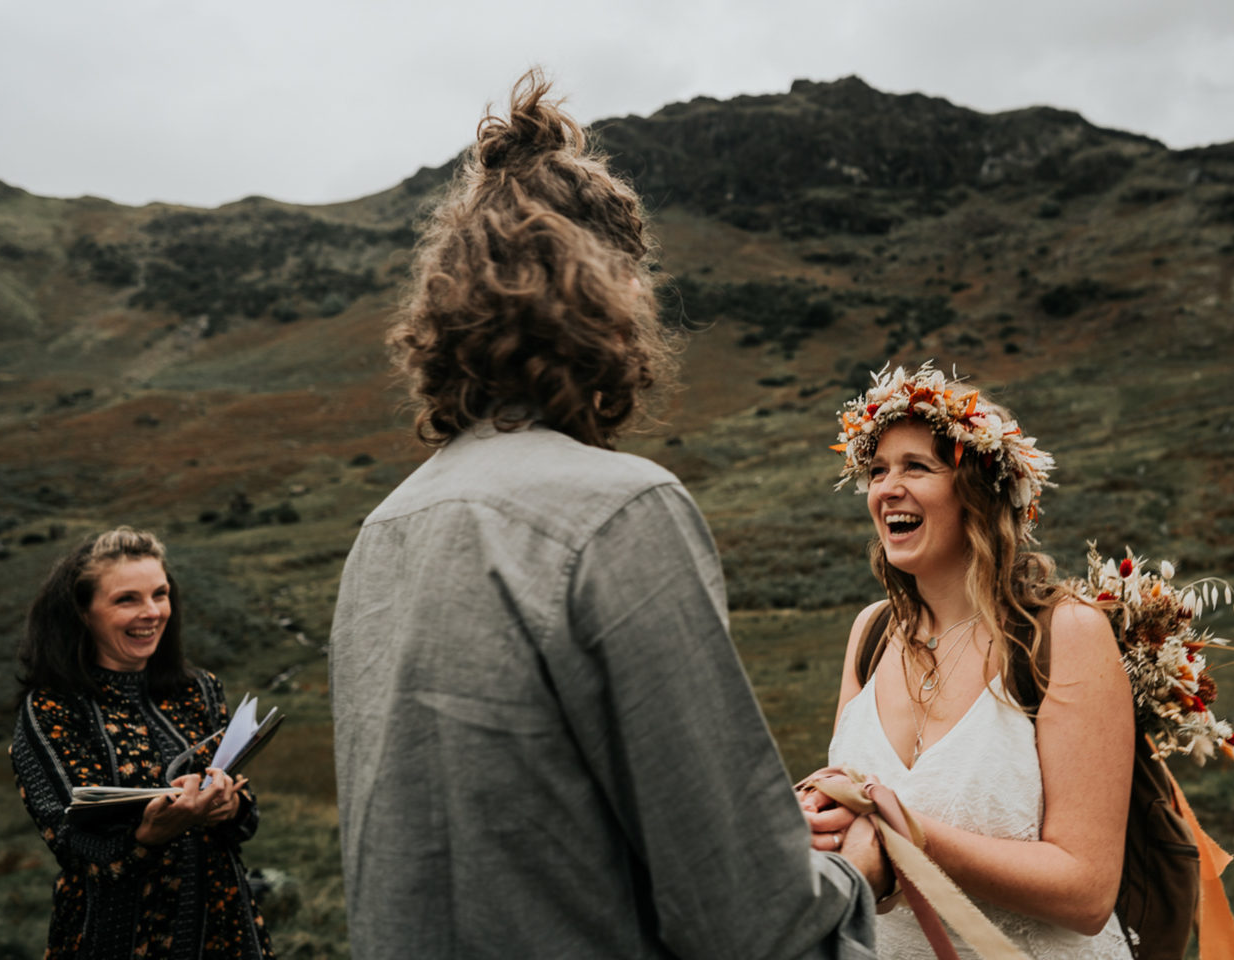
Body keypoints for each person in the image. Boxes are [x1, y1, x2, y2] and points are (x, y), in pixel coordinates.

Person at [329, 70, 887, 960]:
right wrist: (853, 875)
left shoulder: (385, 530)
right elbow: (746, 917)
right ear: (613, 301)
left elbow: (511, 832)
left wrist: (745, 823)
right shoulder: (620, 511)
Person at [803, 361, 1135, 959]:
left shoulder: (1065, 635)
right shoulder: (872, 632)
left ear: (978, 490)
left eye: (916, 467)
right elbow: (859, 817)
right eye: (876, 471)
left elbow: (1087, 893)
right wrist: (825, 817)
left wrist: (900, 828)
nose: (885, 488)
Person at [9, 527, 276, 959]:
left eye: (160, 594)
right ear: (82, 611)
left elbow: (247, 818)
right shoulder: (53, 711)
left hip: (225, 929)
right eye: (126, 599)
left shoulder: (200, 690)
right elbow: (73, 846)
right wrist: (147, 838)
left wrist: (231, 808)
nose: (152, 612)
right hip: (117, 937)